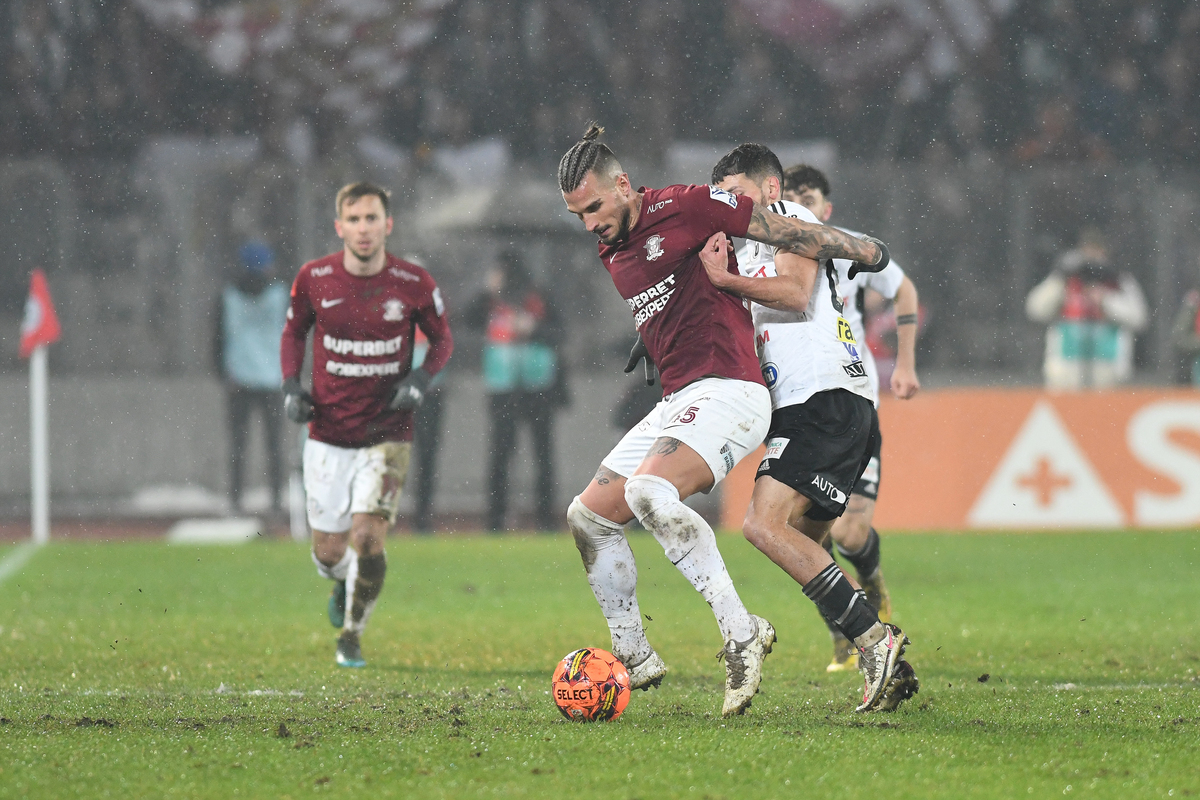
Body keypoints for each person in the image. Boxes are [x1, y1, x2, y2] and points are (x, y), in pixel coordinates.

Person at [558, 124, 892, 717]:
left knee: (654, 494)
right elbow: (679, 292)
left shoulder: (686, 204)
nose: (589, 224)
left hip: (733, 390)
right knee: (587, 517)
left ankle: (744, 634)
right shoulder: (612, 247)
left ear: (624, 185)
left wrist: (863, 248)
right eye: (577, 215)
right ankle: (634, 655)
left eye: (594, 207)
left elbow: (783, 237)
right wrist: (654, 334)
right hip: (687, 394)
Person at [704, 144, 915, 712]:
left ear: (769, 189)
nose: (728, 202)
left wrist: (723, 281)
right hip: (824, 406)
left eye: (737, 190)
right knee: (804, 539)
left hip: (821, 398)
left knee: (762, 526)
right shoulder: (747, 247)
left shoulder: (791, 222)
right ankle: (878, 650)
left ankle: (875, 641)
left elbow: (797, 294)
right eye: (720, 194)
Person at [280, 182, 453, 668]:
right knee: (329, 552)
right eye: (353, 219)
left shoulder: (413, 282)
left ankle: (352, 635)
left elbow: (443, 340)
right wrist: (292, 386)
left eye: (371, 218)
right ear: (339, 226)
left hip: (387, 432)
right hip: (328, 432)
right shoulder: (315, 278)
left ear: (387, 225)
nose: (363, 228)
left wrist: (420, 378)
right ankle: (340, 581)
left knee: (368, 538)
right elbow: (294, 330)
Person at [782, 163, 922, 673]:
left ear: (826, 207)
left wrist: (904, 363)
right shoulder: (767, 250)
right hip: (799, 407)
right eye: (791, 193)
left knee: (850, 535)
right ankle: (847, 630)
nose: (801, 201)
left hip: (851, 403)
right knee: (799, 536)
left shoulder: (849, 246)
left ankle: (873, 583)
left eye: (809, 194)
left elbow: (904, 289)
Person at [464, 250, 567, 532]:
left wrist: (532, 329)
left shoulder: (539, 297)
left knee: (542, 456)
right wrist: (487, 290)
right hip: (503, 388)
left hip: (537, 387)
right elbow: (467, 319)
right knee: (500, 455)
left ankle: (546, 519)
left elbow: (560, 333)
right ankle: (495, 520)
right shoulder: (491, 300)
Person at [213, 240, 289, 514]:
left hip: (239, 379)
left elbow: (218, 339)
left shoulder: (228, 296)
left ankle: (235, 501)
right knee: (274, 446)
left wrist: (223, 374)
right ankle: (277, 501)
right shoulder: (280, 294)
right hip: (272, 378)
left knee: (238, 446)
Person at [1025, 227, 1147, 389]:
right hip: (1066, 368)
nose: (1091, 258)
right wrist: (1061, 278)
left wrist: (1106, 300)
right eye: (1087, 251)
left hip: (1107, 368)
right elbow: (1035, 309)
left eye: (1096, 252)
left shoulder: (1118, 281)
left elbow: (1139, 318)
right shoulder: (1065, 280)